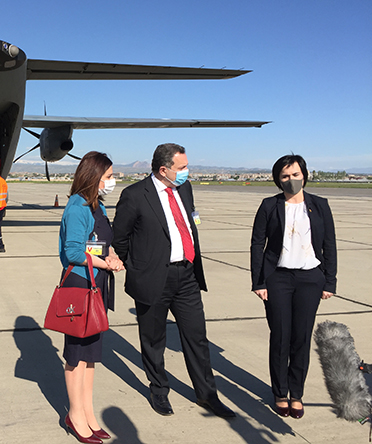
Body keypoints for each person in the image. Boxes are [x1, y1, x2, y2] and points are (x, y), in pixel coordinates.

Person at [112, 143, 235, 418]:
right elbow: (119, 238)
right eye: (181, 168)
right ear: (164, 169)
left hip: (187, 276)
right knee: (153, 340)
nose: (186, 172)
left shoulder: (185, 188)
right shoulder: (135, 195)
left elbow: (190, 222)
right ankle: (159, 391)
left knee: (197, 337)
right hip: (153, 278)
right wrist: (138, 269)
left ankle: (207, 395)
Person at [251, 154, 337, 419]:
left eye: (296, 175)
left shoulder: (319, 205)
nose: (291, 180)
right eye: (285, 176)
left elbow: (330, 244)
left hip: (310, 279)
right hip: (278, 279)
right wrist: (259, 281)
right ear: (278, 179)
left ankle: (296, 394)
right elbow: (257, 244)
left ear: (305, 175)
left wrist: (329, 280)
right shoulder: (269, 205)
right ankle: (280, 392)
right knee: (280, 337)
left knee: (301, 338)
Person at [59, 151, 124, 444]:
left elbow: (102, 244)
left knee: (91, 356)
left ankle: (88, 412)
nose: (112, 181)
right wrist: (104, 263)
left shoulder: (98, 207)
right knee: (76, 356)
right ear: (93, 176)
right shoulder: (77, 207)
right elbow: (73, 252)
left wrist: (114, 257)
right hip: (80, 287)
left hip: (97, 287)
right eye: (109, 176)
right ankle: (74, 415)